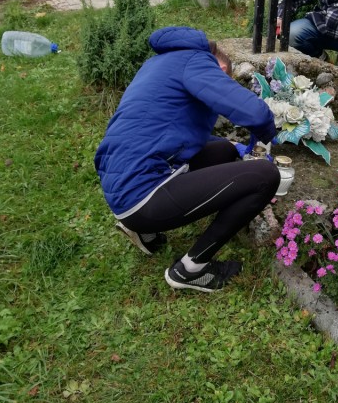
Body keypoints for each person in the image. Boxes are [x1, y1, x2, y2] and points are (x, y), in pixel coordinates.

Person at [94, 27, 280, 293]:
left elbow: (174, 132)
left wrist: (234, 146)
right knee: (265, 176)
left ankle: (143, 232)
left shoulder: (160, 62)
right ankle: (190, 270)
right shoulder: (199, 62)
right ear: (219, 65)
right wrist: (267, 134)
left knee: (225, 152)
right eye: (222, 78)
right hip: (140, 197)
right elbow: (255, 113)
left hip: (122, 180)